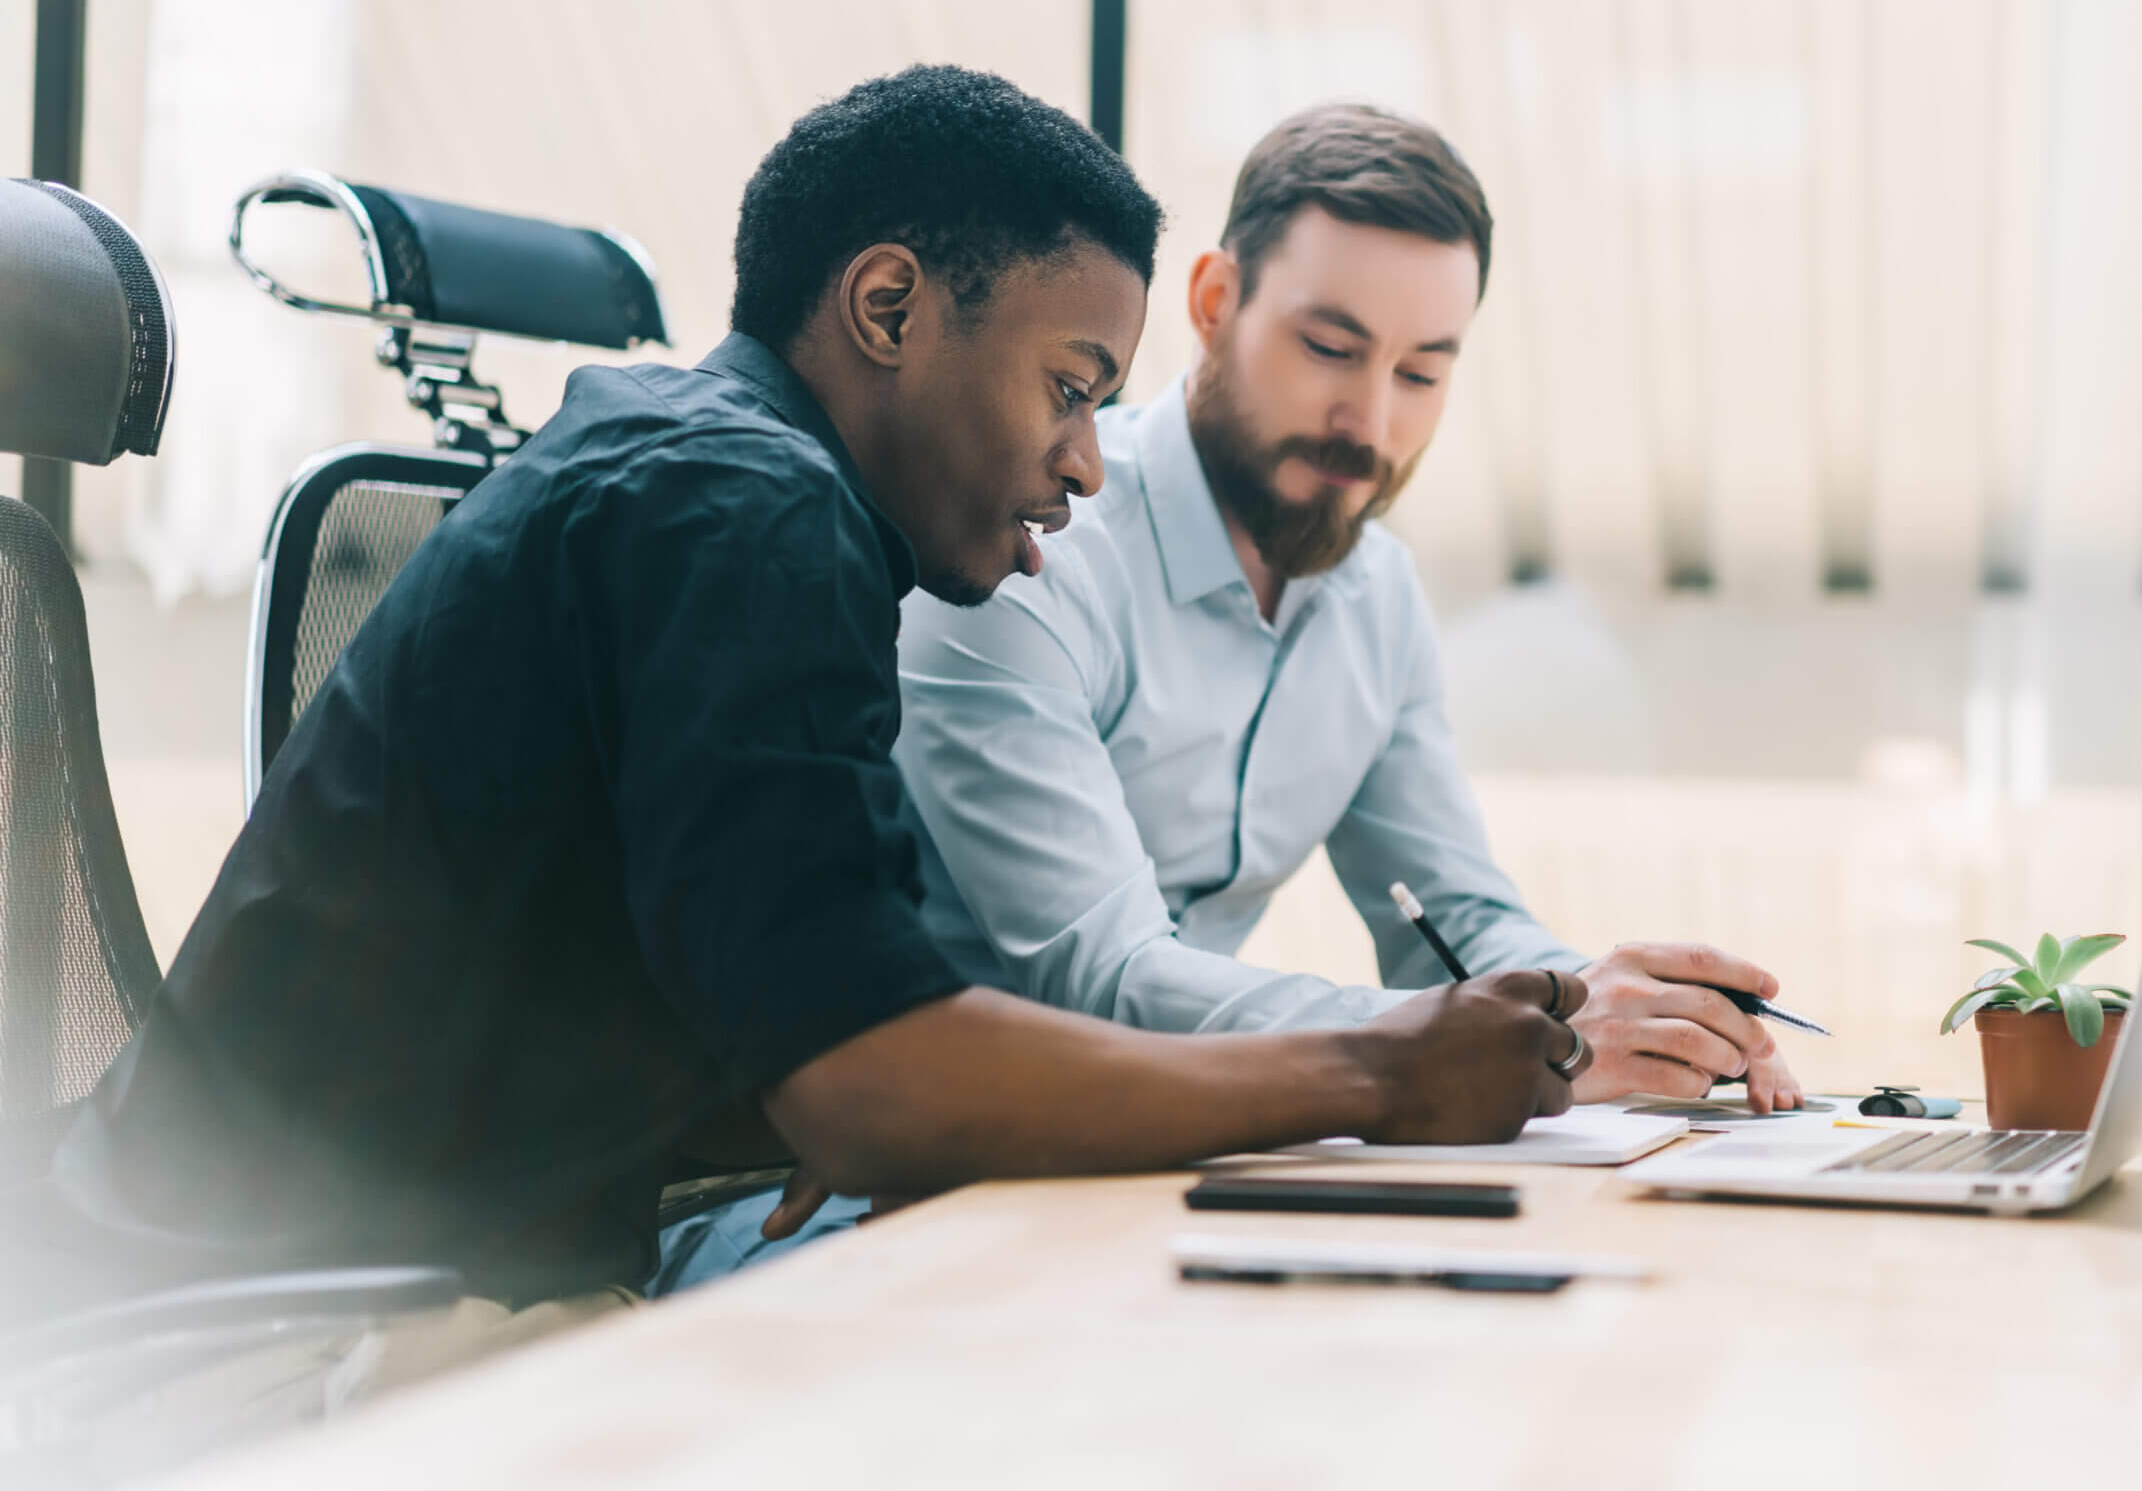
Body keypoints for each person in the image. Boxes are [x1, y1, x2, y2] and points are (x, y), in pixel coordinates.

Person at [28, 69, 1586, 1333]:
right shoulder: (749, 510)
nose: (1087, 462)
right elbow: (876, 1082)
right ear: (891, 309)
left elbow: (814, 1046)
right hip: (285, 1325)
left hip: (327, 1264)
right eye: (1067, 386)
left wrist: (809, 1096)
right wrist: (1382, 1077)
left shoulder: (717, 477)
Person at [893, 103, 1803, 1115]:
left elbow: (1451, 919)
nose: (1370, 423)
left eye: (1420, 372)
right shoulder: (1026, 550)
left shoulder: (1376, 595)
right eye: (1330, 348)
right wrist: (1502, 1040)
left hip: (1173, 1147)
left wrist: (1633, 1017)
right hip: (934, 1156)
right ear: (1211, 302)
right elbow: (1101, 979)